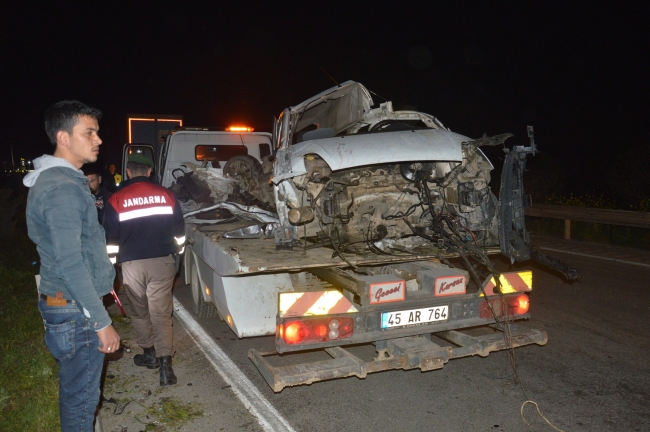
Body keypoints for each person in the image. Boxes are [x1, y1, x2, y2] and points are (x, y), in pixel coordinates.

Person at [23, 100, 120, 431]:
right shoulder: (63, 189)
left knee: (75, 392)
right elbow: (71, 262)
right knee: (82, 400)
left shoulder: (58, 181)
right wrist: (101, 320)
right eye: (88, 132)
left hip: (60, 300)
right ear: (63, 137)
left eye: (97, 131)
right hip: (75, 309)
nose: (98, 139)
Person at [103, 153, 185, 386]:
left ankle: (148, 354)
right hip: (162, 262)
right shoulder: (167, 195)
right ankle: (165, 367)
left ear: (128, 171)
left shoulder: (116, 199)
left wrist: (112, 265)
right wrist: (177, 253)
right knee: (161, 314)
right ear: (150, 172)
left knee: (139, 312)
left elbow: (110, 239)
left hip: (131, 265)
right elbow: (179, 230)